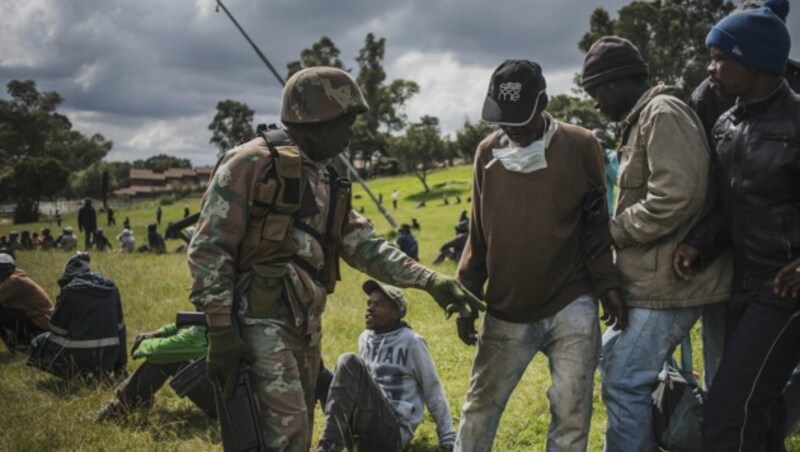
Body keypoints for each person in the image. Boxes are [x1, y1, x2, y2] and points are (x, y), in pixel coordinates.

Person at [187, 66, 483, 451]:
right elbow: (209, 249)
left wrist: (431, 280)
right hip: (258, 321)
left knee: (300, 431)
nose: (351, 131)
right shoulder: (250, 165)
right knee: (284, 437)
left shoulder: (324, 178)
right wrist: (221, 331)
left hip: (305, 324)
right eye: (347, 120)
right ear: (318, 119)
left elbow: (366, 246)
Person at [455, 59, 624, 451]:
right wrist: (466, 297)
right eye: (502, 119)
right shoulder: (487, 154)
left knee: (571, 410)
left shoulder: (581, 146)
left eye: (520, 118)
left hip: (571, 300)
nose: (510, 128)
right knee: (480, 404)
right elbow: (478, 234)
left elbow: (596, 226)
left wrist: (607, 284)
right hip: (507, 306)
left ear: (544, 103)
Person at [580, 36, 732, 451]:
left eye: (597, 90)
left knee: (625, 380)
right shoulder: (641, 119)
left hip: (674, 284)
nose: (594, 100)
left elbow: (676, 195)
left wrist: (614, 231)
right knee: (610, 361)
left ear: (618, 81)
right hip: (653, 282)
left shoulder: (662, 114)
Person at [673, 2, 799, 449]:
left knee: (727, 414)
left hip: (785, 293)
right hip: (741, 286)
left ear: (756, 60)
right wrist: (698, 244)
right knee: (760, 411)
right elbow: (729, 209)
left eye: (721, 57)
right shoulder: (726, 123)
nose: (712, 68)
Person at [317, 280, 455, 451]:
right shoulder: (365, 338)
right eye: (369, 303)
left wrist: (447, 437)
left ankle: (327, 448)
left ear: (397, 312)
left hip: (391, 432)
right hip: (363, 431)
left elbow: (432, 388)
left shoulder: (412, 342)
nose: (370, 308)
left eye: (379, 304)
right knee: (318, 371)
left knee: (348, 360)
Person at [28, 252, 127, 380]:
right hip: (108, 356)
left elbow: (56, 328)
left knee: (40, 340)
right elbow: (121, 328)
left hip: (77, 357)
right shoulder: (112, 288)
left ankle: (73, 375)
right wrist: (121, 365)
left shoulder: (70, 291)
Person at [96, 319, 215, 421]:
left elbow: (160, 352)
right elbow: (187, 324)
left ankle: (124, 405)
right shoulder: (223, 315)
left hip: (225, 408)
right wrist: (158, 333)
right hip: (227, 400)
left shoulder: (218, 323)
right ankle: (133, 401)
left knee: (169, 358)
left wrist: (146, 345)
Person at [0, 253, 53, 352]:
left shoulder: (15, 281)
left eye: (3, 268)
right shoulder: (16, 276)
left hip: (40, 325)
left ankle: (17, 345)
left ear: (12, 268)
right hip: (41, 323)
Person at [591, 128, 618, 217]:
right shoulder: (585, 154)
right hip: (586, 209)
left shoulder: (612, 156)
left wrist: (606, 161)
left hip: (605, 210)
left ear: (604, 142)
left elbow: (617, 181)